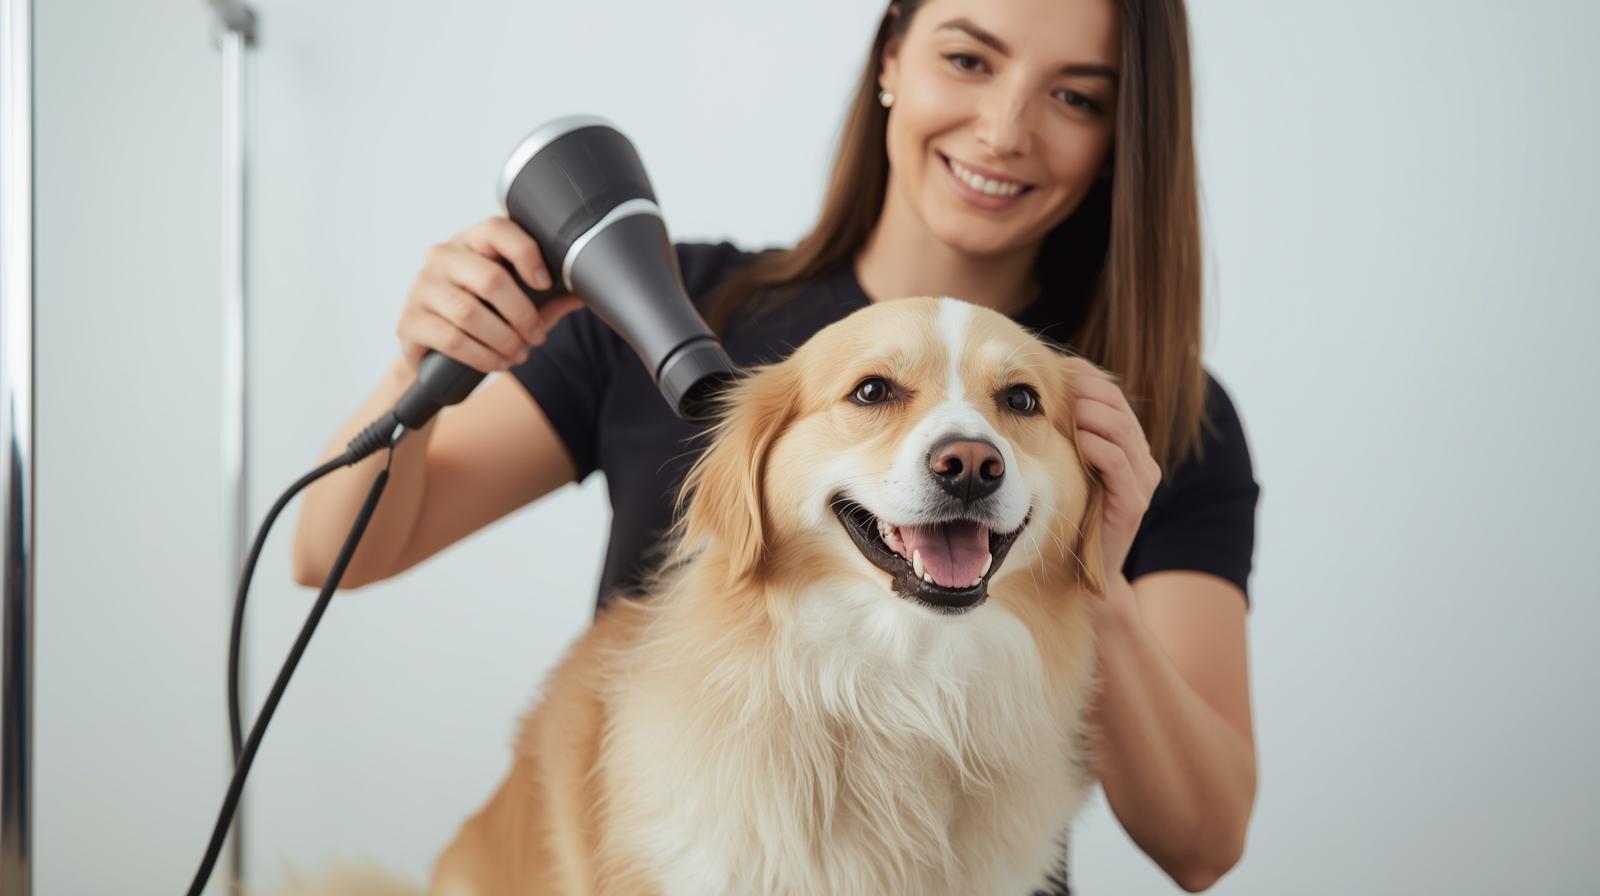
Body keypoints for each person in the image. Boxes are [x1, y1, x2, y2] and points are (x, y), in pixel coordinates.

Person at [291, 0, 1260, 891]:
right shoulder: (663, 305)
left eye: (1075, 96)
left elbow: (1202, 842)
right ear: (891, 57)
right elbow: (334, 553)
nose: (1004, 128)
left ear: (1119, 136)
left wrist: (1103, 572)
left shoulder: (1152, 418)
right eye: (967, 58)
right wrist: (420, 366)